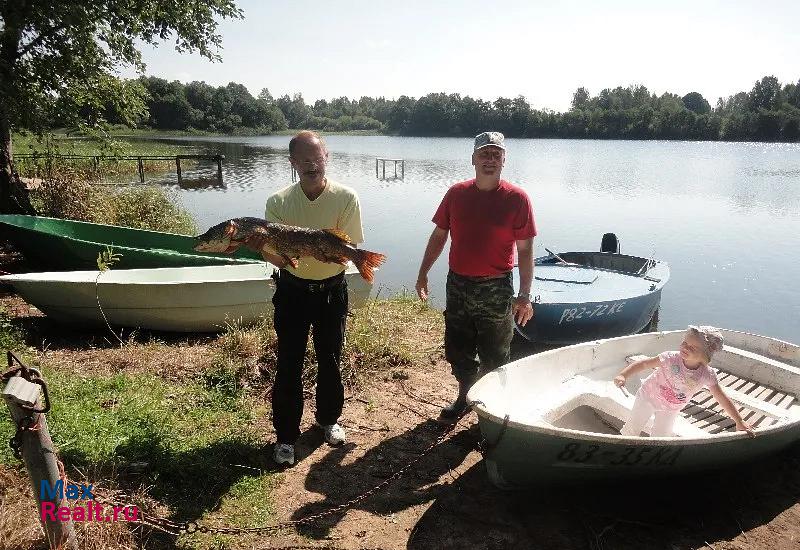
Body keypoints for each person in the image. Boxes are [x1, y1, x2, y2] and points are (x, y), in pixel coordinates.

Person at [249, 131, 365, 466]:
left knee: (331, 359)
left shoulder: (346, 197)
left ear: (326, 157)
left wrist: (339, 257)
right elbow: (283, 259)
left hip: (332, 291)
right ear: (293, 163)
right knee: (289, 363)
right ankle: (286, 437)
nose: (311, 164)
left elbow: (346, 252)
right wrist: (267, 252)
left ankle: (328, 421)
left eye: (316, 157)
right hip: (293, 292)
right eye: (303, 159)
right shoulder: (279, 202)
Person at [415, 131, 536, 422]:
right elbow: (439, 236)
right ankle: (464, 397)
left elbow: (526, 250)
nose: (490, 160)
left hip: (496, 287)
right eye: (484, 154)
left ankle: (490, 412)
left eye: (496, 154)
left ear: (504, 160)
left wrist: (524, 295)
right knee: (458, 348)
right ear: (473, 159)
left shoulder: (517, 199)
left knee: (496, 353)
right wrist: (423, 274)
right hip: (458, 284)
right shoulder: (456, 193)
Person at [615, 325, 755, 437]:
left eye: (692, 347)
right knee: (632, 428)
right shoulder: (670, 358)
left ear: (705, 355)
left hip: (670, 408)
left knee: (661, 437)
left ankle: (653, 458)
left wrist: (739, 421)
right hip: (648, 396)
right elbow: (644, 364)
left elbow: (721, 397)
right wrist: (623, 375)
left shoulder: (707, 374)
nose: (685, 347)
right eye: (684, 342)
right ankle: (622, 447)